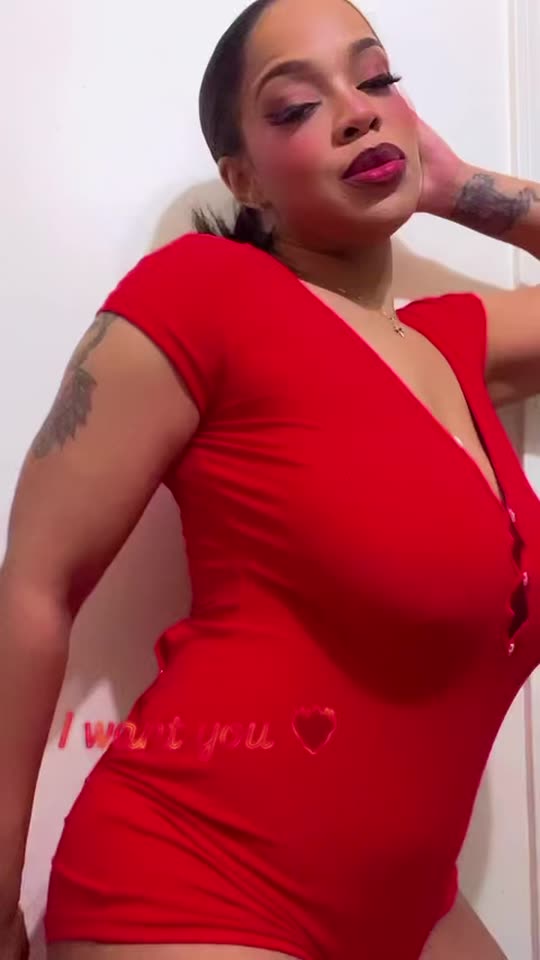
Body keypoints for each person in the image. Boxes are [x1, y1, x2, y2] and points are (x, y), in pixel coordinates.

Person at [2, 0, 540, 957]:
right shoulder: (202, 292)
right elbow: (35, 587)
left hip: (411, 910)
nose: (358, 112)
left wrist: (457, 187)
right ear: (243, 178)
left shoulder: (451, 341)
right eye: (296, 106)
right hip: (193, 892)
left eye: (376, 81)